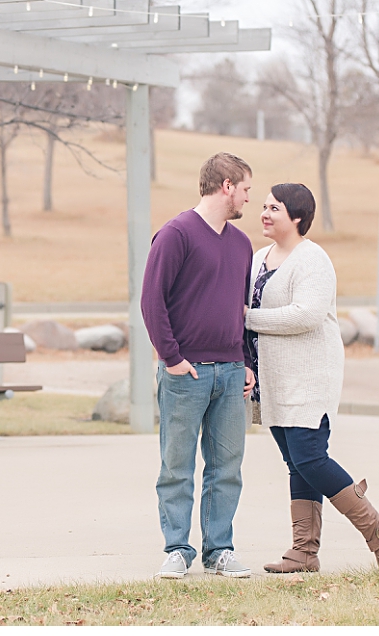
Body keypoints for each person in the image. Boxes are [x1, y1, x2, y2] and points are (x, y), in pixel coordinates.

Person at [244, 182, 379, 573]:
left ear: (297, 216)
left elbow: (306, 315)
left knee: (311, 458)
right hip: (273, 381)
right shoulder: (260, 257)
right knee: (296, 463)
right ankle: (303, 552)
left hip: (309, 378)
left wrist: (247, 317)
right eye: (263, 206)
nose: (264, 213)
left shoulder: (313, 260)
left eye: (274, 208)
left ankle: (374, 527)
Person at [141, 152, 257, 580]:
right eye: (246, 188)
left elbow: (238, 310)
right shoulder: (176, 234)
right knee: (177, 465)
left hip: (229, 374)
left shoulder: (242, 244)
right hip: (184, 374)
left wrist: (244, 362)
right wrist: (172, 359)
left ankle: (219, 550)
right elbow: (152, 302)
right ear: (226, 185)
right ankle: (176, 549)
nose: (249, 197)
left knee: (227, 468)